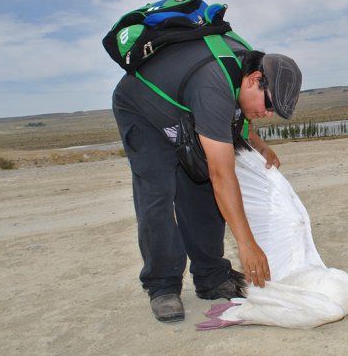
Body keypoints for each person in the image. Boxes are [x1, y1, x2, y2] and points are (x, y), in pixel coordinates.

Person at [111, 35, 302, 322]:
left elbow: (240, 116)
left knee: (199, 182)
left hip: (184, 108)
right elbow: (223, 175)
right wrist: (247, 245)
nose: (268, 113)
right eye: (269, 104)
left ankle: (211, 276)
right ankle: (162, 285)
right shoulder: (214, 84)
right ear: (255, 79)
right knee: (159, 192)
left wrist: (260, 145)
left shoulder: (243, 69)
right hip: (142, 109)